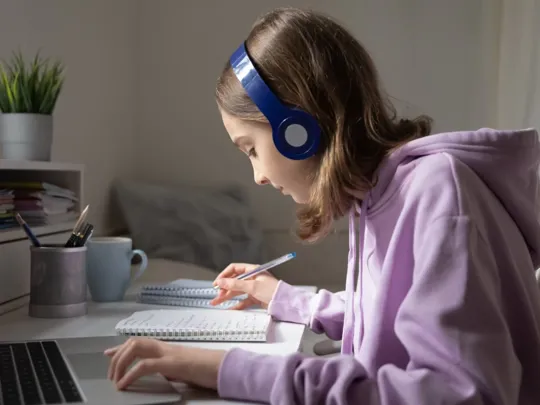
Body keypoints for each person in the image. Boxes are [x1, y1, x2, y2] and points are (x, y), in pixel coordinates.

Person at [105, 7, 540, 404]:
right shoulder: (377, 196)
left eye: (250, 149)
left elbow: (462, 393)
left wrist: (227, 370)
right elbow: (387, 313)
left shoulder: (437, 193)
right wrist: (282, 296)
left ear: (298, 129)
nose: (256, 175)